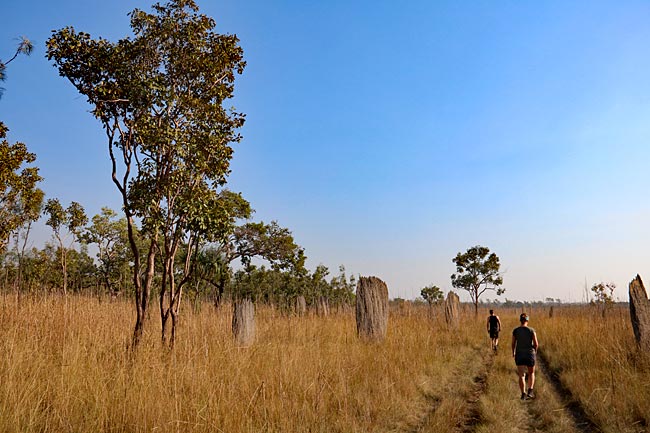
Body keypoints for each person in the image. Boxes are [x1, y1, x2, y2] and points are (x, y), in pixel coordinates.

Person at [512, 312, 539, 400]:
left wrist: (513, 352)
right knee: (531, 372)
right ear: (527, 320)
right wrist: (535, 352)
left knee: (521, 375)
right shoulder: (531, 330)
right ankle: (530, 391)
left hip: (520, 354)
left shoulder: (516, 330)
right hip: (530, 354)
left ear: (520, 320)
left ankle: (523, 393)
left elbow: (513, 343)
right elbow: (536, 344)